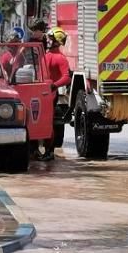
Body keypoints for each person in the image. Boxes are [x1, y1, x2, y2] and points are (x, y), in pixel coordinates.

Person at [39, 26, 71, 160]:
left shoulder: (60, 58)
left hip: (50, 94)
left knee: (48, 123)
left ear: (56, 41)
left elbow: (66, 77)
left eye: (50, 39)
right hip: (40, 92)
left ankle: (49, 151)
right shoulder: (45, 55)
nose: (47, 40)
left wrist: (54, 85)